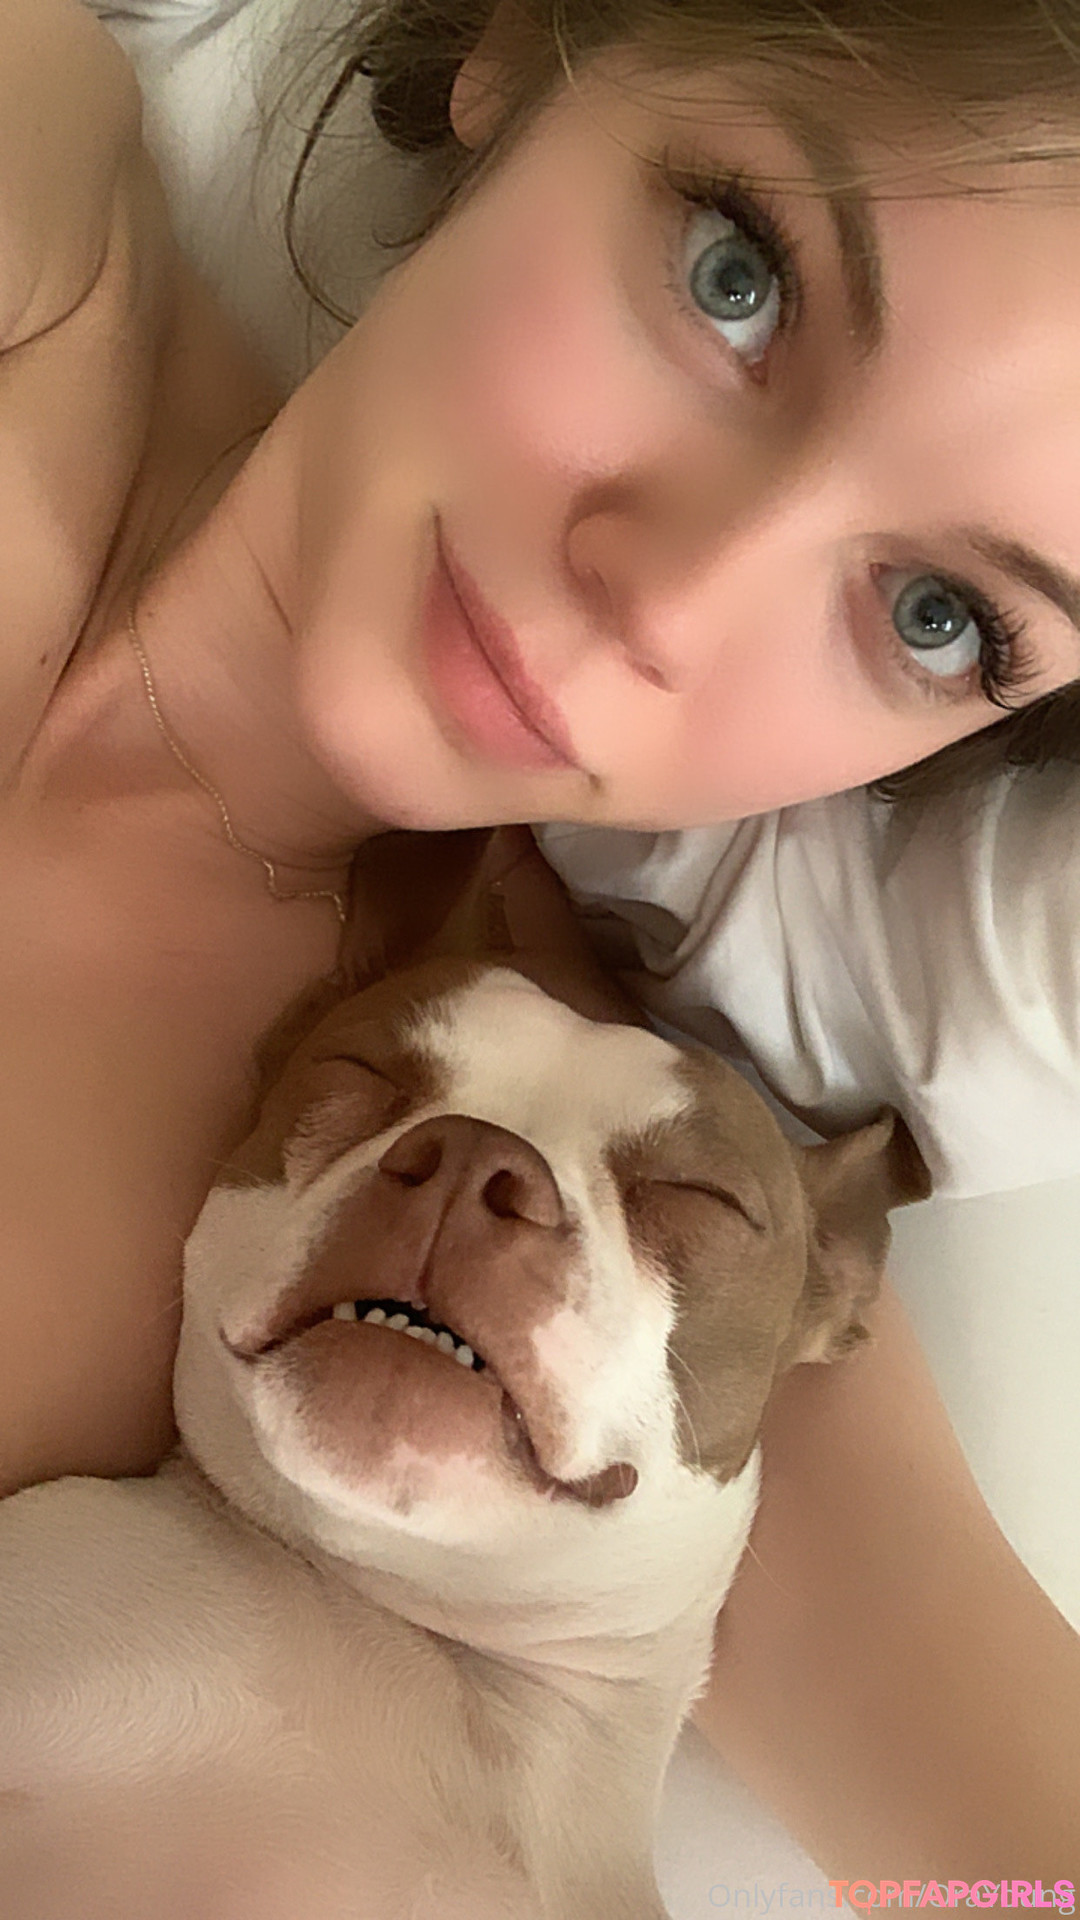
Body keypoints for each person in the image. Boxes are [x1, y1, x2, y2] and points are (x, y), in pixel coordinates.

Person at [2, 0, 1078, 1885]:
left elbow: (1013, 1874)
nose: (666, 596)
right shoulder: (36, 205)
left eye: (935, 616)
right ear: (525, 49)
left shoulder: (639, 1209)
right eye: (739, 276)